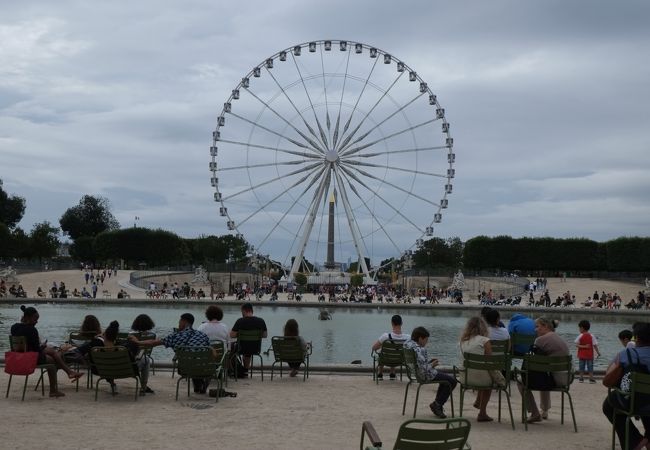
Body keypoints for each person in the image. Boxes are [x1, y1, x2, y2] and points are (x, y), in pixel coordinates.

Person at [10, 305, 83, 397]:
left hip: (20, 355)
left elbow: (27, 344)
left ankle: (70, 372)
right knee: (52, 362)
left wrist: (42, 347)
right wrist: (42, 346)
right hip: (30, 357)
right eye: (35, 319)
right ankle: (53, 390)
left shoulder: (14, 327)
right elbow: (37, 350)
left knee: (52, 351)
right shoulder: (32, 330)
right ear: (27, 317)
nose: (36, 321)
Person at [130, 313, 210, 393]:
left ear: (184, 322)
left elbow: (153, 343)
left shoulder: (175, 336)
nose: (178, 324)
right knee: (196, 359)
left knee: (190, 361)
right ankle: (200, 383)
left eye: (179, 322)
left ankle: (198, 384)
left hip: (185, 369)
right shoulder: (203, 335)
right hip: (205, 368)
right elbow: (211, 351)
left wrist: (138, 342)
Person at [602, 322, 650, 450]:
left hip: (633, 400)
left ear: (637, 338)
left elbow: (607, 381)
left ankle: (634, 441)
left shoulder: (627, 354)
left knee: (609, 405)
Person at [517, 317, 569, 423]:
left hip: (554, 379)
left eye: (537, 327)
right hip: (566, 377)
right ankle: (544, 410)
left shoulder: (540, 340)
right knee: (542, 373)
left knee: (520, 380)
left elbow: (533, 364)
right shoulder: (559, 338)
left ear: (545, 326)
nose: (535, 330)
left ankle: (534, 412)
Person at [404, 326, 457, 419]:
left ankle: (437, 404)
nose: (427, 342)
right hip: (425, 375)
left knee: (445, 379)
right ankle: (437, 404)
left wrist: (429, 362)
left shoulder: (407, 344)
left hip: (415, 373)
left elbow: (419, 364)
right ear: (420, 338)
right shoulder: (420, 349)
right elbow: (423, 369)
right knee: (452, 381)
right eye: (426, 340)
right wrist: (432, 365)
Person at [459, 317, 496, 422]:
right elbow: (489, 362)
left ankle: (478, 401)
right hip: (480, 377)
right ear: (483, 327)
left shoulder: (462, 341)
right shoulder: (485, 341)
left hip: (465, 377)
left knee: (480, 371)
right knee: (487, 381)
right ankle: (482, 412)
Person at [230, 303, 268, 375]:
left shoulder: (240, 321)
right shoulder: (261, 321)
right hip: (256, 348)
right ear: (252, 310)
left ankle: (234, 369)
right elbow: (265, 335)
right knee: (248, 350)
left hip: (241, 348)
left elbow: (232, 335)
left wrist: (239, 335)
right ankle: (245, 370)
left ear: (243, 311)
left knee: (231, 348)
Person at [371, 314, 410, 380]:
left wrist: (382, 345)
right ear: (402, 323)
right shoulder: (407, 338)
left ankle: (380, 372)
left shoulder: (385, 337)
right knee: (396, 351)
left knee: (382, 351)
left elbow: (374, 348)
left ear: (392, 323)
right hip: (399, 360)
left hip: (385, 360)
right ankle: (392, 372)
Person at [130, 314, 156, 395]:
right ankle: (143, 387)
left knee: (145, 358)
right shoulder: (152, 335)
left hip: (127, 362)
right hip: (138, 363)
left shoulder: (130, 335)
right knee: (146, 359)